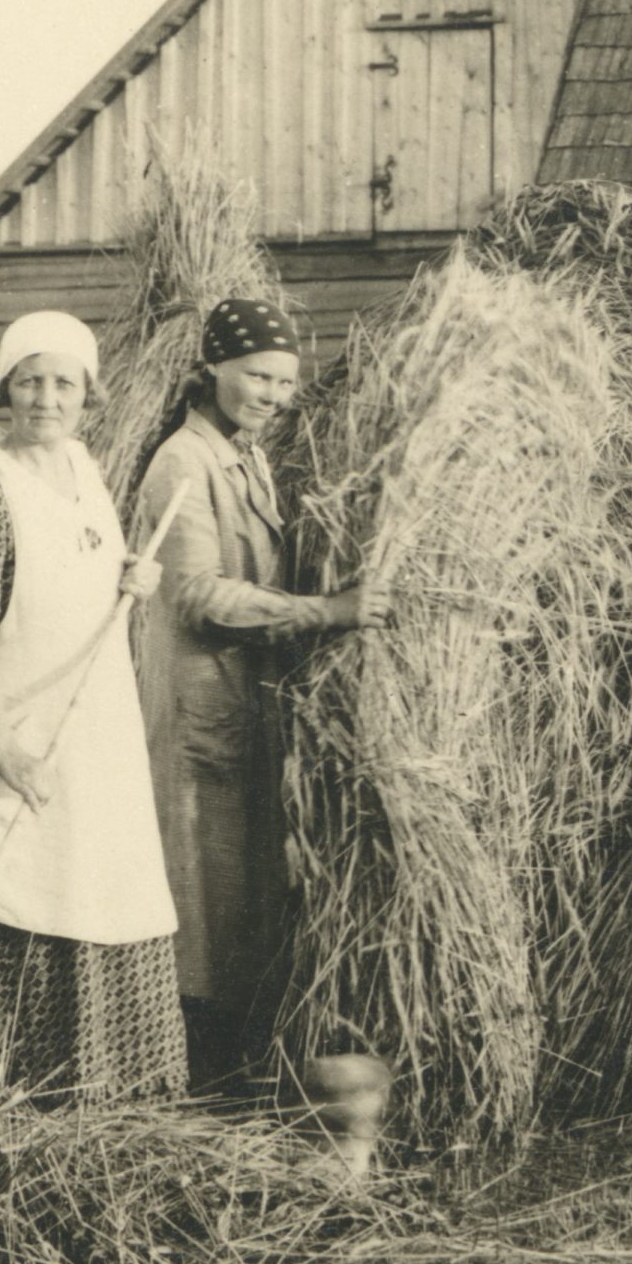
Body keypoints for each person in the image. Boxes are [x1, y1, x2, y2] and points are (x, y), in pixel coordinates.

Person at [126, 297, 384, 1090]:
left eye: (282, 380)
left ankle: (226, 1071)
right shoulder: (184, 460)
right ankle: (193, 1081)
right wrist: (327, 613)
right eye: (256, 375)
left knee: (237, 897)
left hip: (239, 705)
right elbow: (201, 594)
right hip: (198, 711)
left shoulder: (245, 455)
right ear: (214, 369)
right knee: (200, 903)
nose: (271, 394)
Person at [0, 310, 185, 1102]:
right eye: (30, 380)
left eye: (63, 382)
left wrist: (130, 579)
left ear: (88, 394)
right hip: (18, 730)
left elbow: (78, 577)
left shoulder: (82, 468)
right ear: (4, 388)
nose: (46, 398)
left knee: (108, 880)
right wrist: (3, 745)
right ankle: (18, 1092)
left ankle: (109, 1092)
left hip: (94, 728)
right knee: (30, 893)